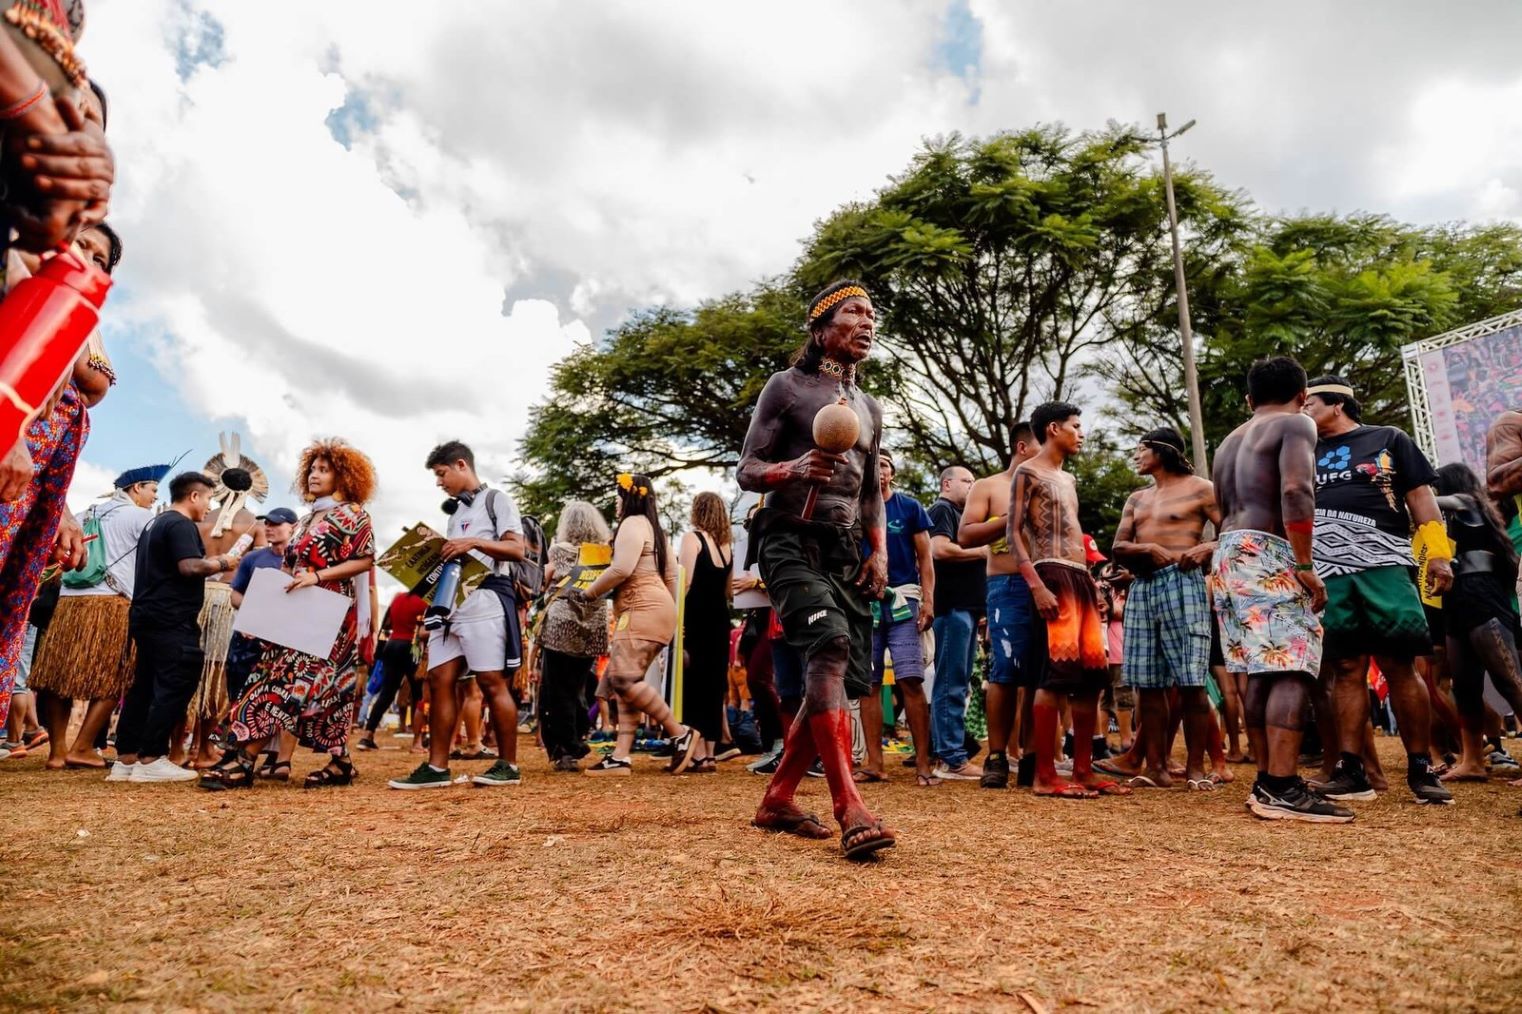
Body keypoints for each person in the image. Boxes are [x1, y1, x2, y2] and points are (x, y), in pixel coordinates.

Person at [738, 279, 895, 860]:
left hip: (845, 550)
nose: (867, 320)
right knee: (826, 647)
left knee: (837, 677)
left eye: (872, 313)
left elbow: (873, 494)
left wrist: (878, 552)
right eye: (854, 310)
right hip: (787, 539)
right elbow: (747, 469)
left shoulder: (871, 408)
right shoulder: (788, 388)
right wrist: (794, 469)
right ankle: (848, 805)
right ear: (822, 325)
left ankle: (777, 798)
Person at [1300, 376, 1453, 806]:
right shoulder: (1301, 451)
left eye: (1310, 403)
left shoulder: (1388, 439)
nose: (1303, 411)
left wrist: (1438, 554)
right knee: (1346, 668)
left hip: (1384, 562)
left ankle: (1421, 768)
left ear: (1338, 405)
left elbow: (1421, 497)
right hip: (1328, 570)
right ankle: (1352, 771)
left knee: (1400, 664)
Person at [1210, 356, 1350, 822]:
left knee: (1260, 668)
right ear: (1302, 394)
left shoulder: (1230, 440)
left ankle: (1268, 781)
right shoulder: (1297, 423)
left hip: (1227, 550)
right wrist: (1306, 564)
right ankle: (1284, 786)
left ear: (1250, 399)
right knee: (1290, 665)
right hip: (1266, 547)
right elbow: (1295, 491)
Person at [201, 440, 376, 790]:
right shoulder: (308, 517)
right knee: (311, 688)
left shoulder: (354, 515)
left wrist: (317, 576)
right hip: (296, 612)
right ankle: (340, 763)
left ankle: (244, 759)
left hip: (327, 614)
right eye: (312, 469)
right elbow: (288, 564)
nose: (314, 475)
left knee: (284, 683)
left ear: (343, 476)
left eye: (324, 470)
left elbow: (366, 560)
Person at [1006, 402, 1127, 799]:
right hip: (1050, 572)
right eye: (1076, 426)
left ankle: (1082, 770)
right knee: (1055, 674)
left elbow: (1076, 534)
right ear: (1054, 428)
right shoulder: (1028, 471)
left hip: (1080, 577)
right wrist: (1036, 584)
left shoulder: (1069, 479)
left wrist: (1093, 583)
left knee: (1092, 677)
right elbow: (1013, 533)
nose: (1082, 433)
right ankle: (1044, 774)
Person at [389, 441, 525, 789]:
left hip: (487, 599)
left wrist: (473, 544)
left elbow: (516, 549)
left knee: (491, 682)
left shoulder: (497, 500)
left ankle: (507, 765)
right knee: (438, 680)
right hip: (451, 604)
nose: (439, 482)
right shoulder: (456, 514)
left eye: (441, 473)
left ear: (461, 465)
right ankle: (436, 768)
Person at [1105, 428, 1220, 790]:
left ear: (1162, 451)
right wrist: (1147, 550)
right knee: (1147, 684)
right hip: (1142, 586)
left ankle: (1197, 770)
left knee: (1190, 680)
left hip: (1183, 582)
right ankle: (1155, 767)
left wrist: (1206, 549)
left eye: (1142, 449)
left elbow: (1233, 529)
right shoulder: (1137, 498)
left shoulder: (1203, 488)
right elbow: (1118, 545)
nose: (1137, 456)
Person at [562, 472, 697, 776]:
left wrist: (588, 592)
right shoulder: (656, 530)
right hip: (657, 609)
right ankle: (621, 756)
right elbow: (676, 578)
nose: (615, 503)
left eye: (617, 497)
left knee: (623, 680)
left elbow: (621, 568)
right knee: (627, 684)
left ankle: (679, 733)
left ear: (628, 497)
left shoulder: (632, 525)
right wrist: (675, 616)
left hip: (640, 608)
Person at [29, 461, 161, 770]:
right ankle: (84, 746)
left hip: (70, 601)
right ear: (137, 488)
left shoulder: (88, 513)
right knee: (116, 678)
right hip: (112, 603)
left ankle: (58, 752)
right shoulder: (141, 517)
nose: (155, 497)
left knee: (58, 676)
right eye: (153, 490)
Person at [109, 472, 238, 784]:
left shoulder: (156, 522)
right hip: (170, 617)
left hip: (147, 613)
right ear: (194, 496)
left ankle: (126, 759)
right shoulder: (180, 524)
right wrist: (222, 562)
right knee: (177, 680)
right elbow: (189, 566)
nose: (210, 506)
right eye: (208, 498)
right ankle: (151, 756)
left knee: (144, 684)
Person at [958, 421, 1041, 788]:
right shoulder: (989, 486)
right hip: (1005, 584)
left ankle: (1033, 758)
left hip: (1049, 586)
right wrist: (1012, 517)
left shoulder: (1055, 485)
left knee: (1040, 676)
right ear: (1022, 447)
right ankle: (996, 757)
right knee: (1004, 672)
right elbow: (965, 535)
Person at [1430, 463, 1522, 782]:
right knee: (1464, 683)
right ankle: (1472, 761)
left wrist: (1409, 492)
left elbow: (1433, 503)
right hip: (1456, 596)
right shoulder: (1452, 521)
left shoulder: (1468, 503)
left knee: (1509, 677)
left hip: (1482, 591)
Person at [857, 453, 937, 786]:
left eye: (885, 466)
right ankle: (875, 763)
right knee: (869, 684)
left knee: (910, 680)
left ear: (892, 474)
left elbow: (926, 558)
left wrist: (928, 600)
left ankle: (923, 764)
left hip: (904, 600)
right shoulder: (854, 508)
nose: (880, 472)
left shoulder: (910, 507)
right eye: (874, 467)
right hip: (864, 604)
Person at [536, 500, 611, 771]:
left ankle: (564, 748)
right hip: (591, 629)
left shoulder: (559, 551)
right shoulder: (604, 554)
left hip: (560, 627)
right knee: (580, 686)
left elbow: (543, 580)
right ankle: (576, 739)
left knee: (557, 690)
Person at [927, 464, 986, 782]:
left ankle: (947, 752)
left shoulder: (959, 514)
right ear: (947, 483)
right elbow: (939, 548)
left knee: (957, 683)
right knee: (951, 683)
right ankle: (952, 758)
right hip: (951, 609)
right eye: (967, 481)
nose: (972, 486)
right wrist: (984, 552)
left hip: (965, 610)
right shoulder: (942, 508)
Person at [677, 491, 734, 773]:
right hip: (720, 620)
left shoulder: (692, 539)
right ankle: (710, 753)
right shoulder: (726, 547)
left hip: (695, 618)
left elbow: (683, 583)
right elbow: (728, 590)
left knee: (692, 684)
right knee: (714, 686)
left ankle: (697, 753)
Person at [356, 589, 426, 751]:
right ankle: (419, 738)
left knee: (386, 694)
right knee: (418, 694)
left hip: (392, 645)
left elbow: (387, 625)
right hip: (412, 647)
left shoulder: (398, 598)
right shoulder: (424, 601)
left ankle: (367, 735)